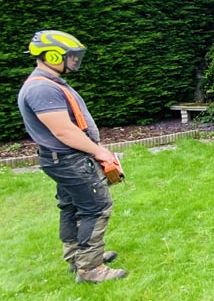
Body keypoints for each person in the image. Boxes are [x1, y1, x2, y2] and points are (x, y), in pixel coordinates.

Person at [17, 30, 127, 284]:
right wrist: (99, 151)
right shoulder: (42, 89)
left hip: (62, 159)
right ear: (52, 55)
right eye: (72, 56)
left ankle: (78, 255)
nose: (76, 61)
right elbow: (63, 130)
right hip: (69, 160)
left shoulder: (48, 82)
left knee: (71, 206)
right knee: (96, 206)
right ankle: (90, 268)